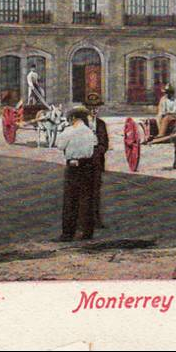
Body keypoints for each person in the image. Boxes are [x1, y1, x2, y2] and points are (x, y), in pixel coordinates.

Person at [56, 107, 97, 241]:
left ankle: (68, 233)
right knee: (86, 200)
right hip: (88, 167)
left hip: (73, 167)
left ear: (73, 118)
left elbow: (59, 145)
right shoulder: (90, 132)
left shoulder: (69, 131)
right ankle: (87, 233)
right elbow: (94, 146)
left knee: (70, 200)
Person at [84, 92, 109, 229]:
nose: (94, 110)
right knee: (84, 191)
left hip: (97, 160)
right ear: (86, 108)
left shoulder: (101, 124)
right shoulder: (81, 124)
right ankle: (83, 220)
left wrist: (99, 150)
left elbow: (105, 142)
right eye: (91, 107)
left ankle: (96, 219)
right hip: (84, 161)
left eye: (96, 108)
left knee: (96, 191)